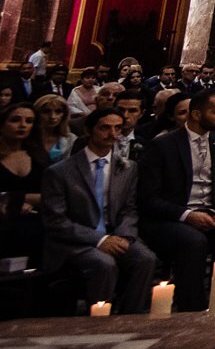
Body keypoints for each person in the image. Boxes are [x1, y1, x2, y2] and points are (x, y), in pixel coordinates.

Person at [138, 89, 215, 311]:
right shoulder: (163, 145)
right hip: (172, 218)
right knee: (194, 242)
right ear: (195, 114)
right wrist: (187, 215)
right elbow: (148, 198)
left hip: (211, 215)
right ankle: (192, 309)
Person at [42, 106, 157, 313]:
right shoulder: (61, 171)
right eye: (105, 128)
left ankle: (131, 317)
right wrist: (100, 240)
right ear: (89, 130)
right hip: (76, 240)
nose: (112, 134)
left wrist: (125, 236)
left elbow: (129, 209)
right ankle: (99, 320)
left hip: (115, 232)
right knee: (104, 264)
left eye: (118, 128)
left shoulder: (128, 168)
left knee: (145, 258)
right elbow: (56, 221)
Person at [0, 101, 44, 262]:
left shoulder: (38, 157)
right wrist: (19, 200)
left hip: (34, 222)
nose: (22, 125)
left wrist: (19, 199)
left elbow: (50, 194)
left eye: (29, 121)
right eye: (15, 120)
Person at [30, 93, 75, 164]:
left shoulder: (71, 139)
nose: (52, 117)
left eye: (58, 112)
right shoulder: (27, 138)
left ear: (64, 115)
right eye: (46, 111)